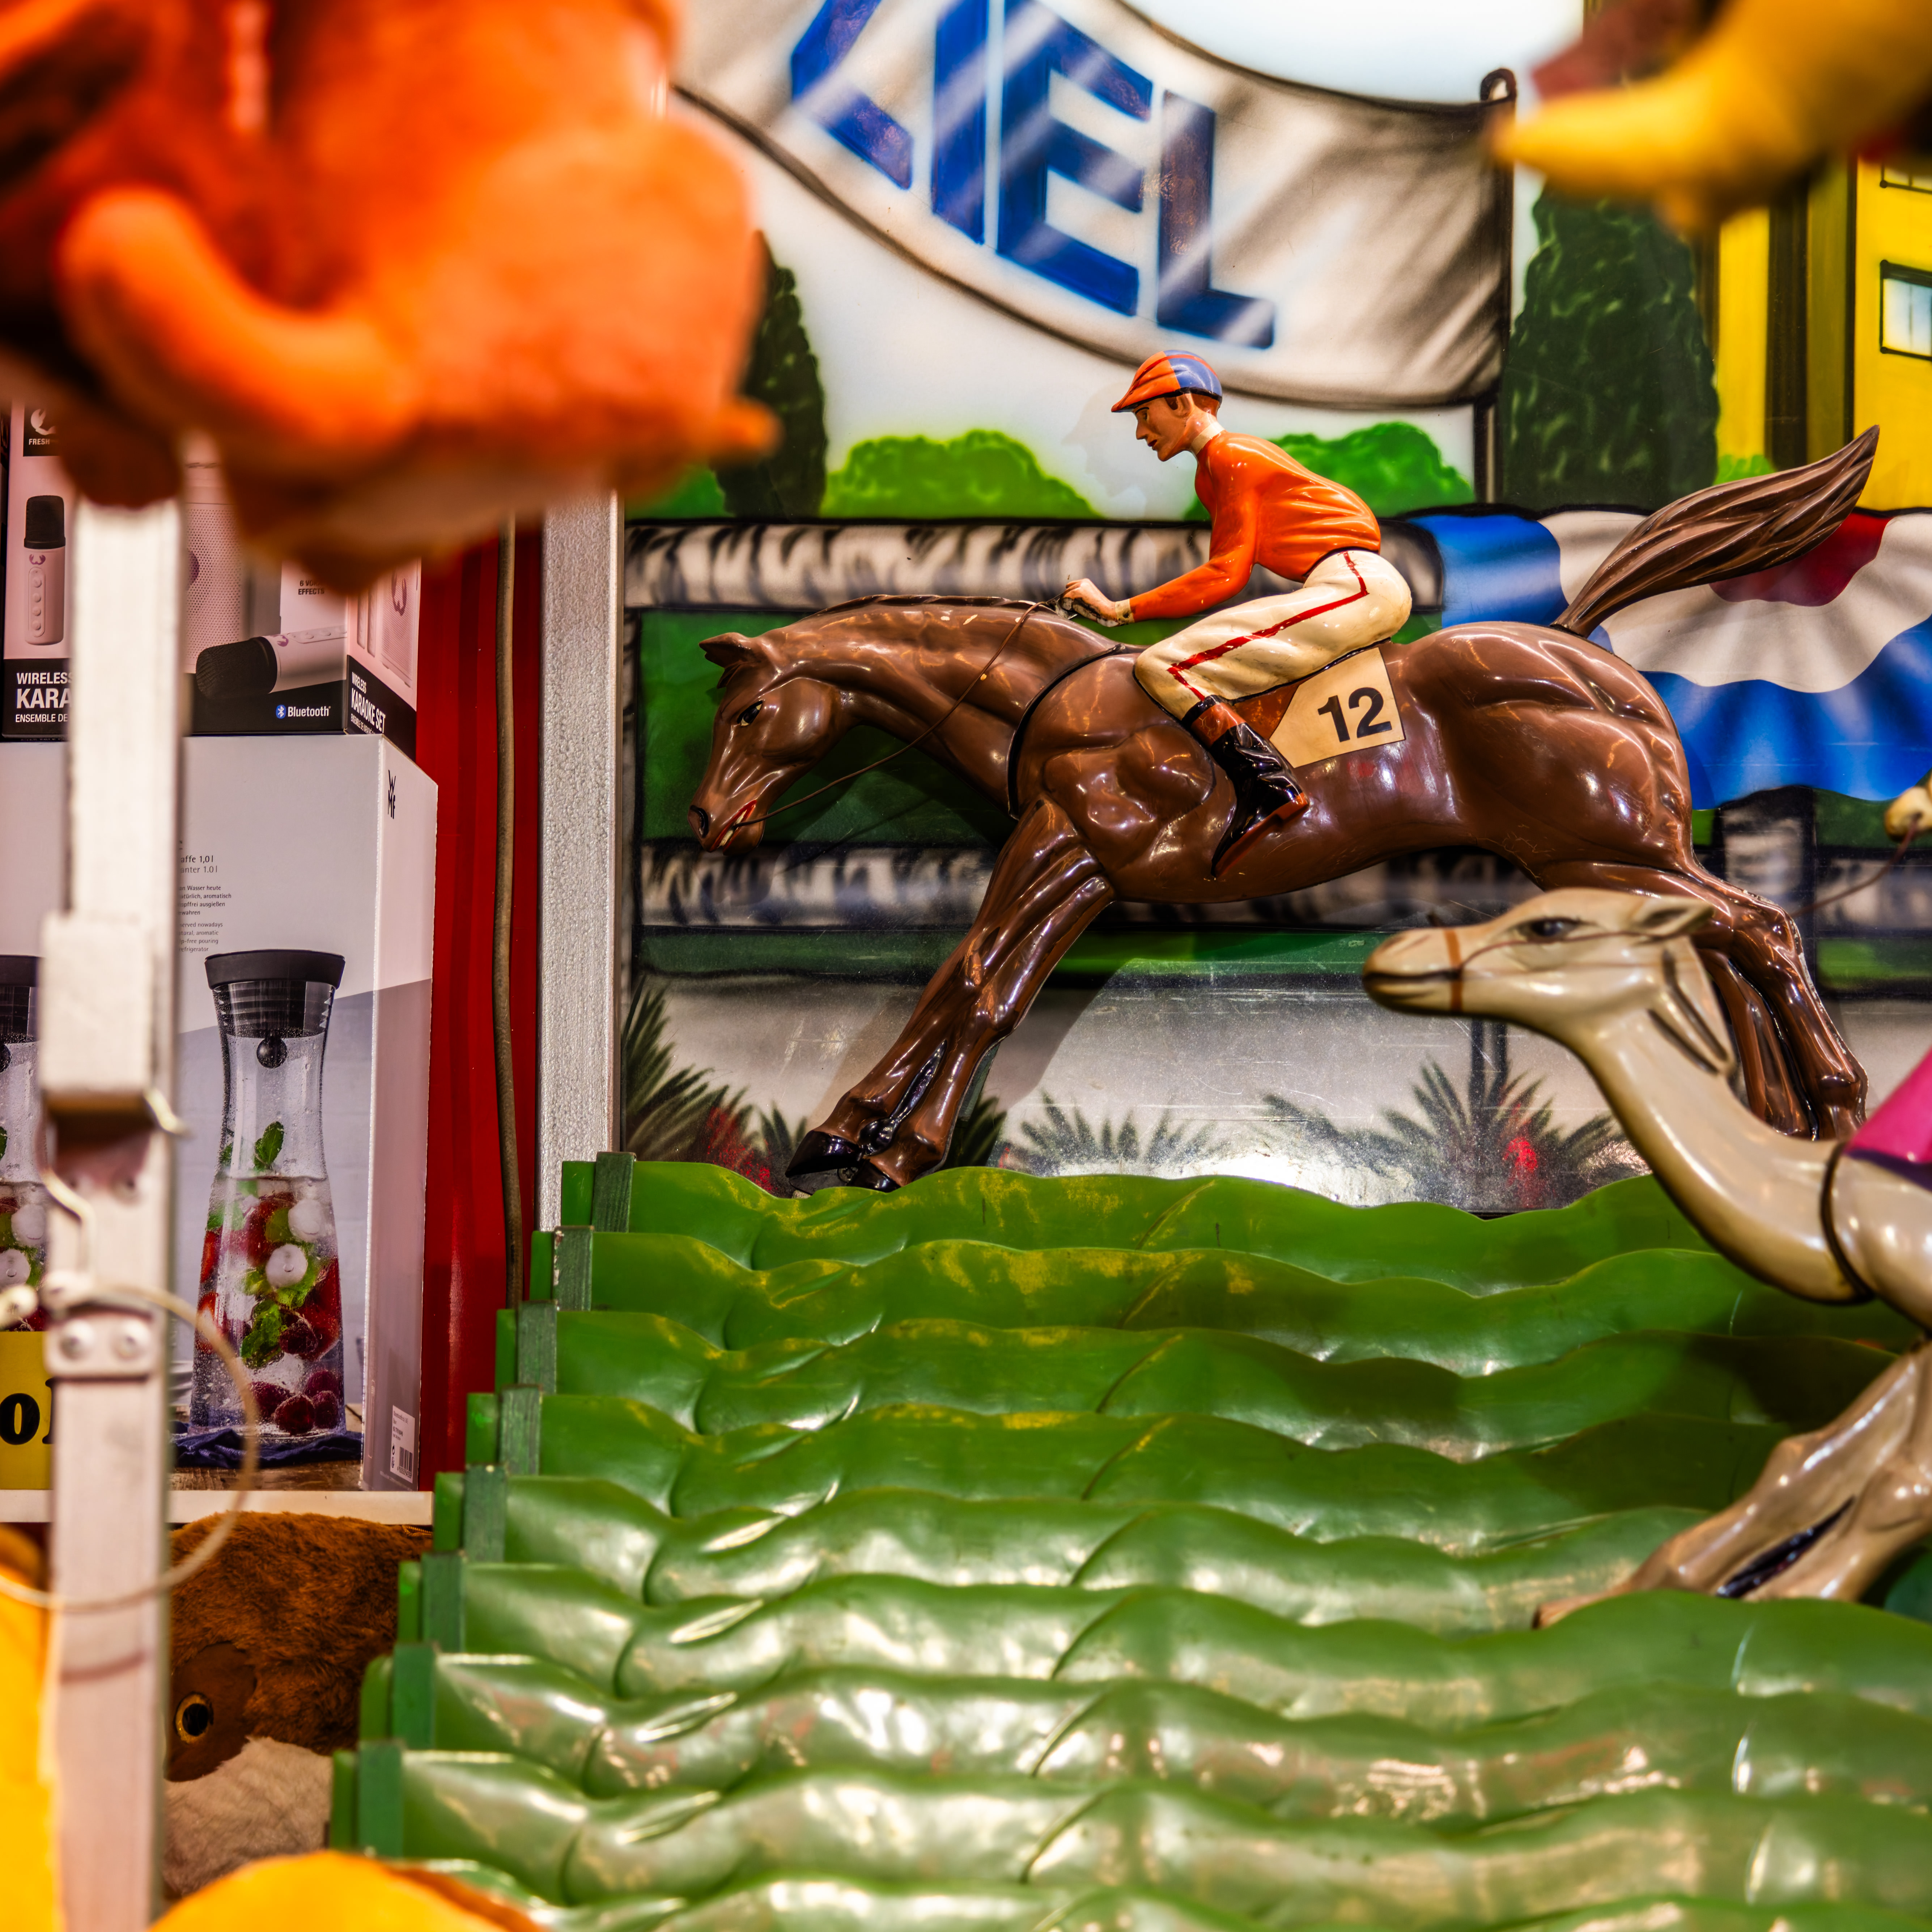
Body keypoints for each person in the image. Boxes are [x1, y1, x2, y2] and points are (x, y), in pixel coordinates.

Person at [1064, 353, 1411, 877]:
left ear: (1182, 403)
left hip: (1356, 585)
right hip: (1346, 582)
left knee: (1164, 666)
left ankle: (1267, 788)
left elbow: (1226, 574)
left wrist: (1120, 610)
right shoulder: (1214, 470)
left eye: (1145, 415)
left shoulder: (1231, 457)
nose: (1140, 433)